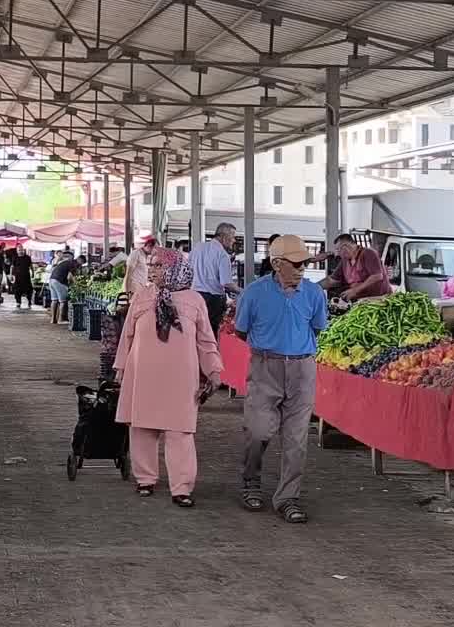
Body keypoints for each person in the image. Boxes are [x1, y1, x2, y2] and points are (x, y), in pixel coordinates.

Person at [115, 248, 223, 507]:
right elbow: (127, 335)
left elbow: (206, 340)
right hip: (143, 374)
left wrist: (214, 371)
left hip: (180, 378)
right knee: (142, 427)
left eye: (158, 265)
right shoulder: (141, 296)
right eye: (150, 265)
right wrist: (119, 369)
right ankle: (145, 479)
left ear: (175, 269)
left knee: (180, 432)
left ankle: (181, 487)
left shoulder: (194, 300)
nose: (151, 269)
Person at [233, 235, 328, 524]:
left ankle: (288, 497)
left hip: (302, 369)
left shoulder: (314, 294)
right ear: (276, 264)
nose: (302, 269)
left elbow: (318, 327)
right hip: (265, 367)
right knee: (259, 430)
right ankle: (251, 480)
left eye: (305, 264)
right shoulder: (254, 293)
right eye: (296, 264)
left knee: (297, 439)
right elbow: (241, 330)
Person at [190, 223, 240, 332]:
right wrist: (244, 291)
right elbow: (226, 283)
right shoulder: (222, 255)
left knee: (196, 331)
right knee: (210, 333)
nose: (234, 240)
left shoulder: (197, 248)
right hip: (213, 300)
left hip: (194, 297)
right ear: (223, 237)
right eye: (232, 237)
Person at [322, 233, 391, 301]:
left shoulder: (368, 253)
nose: (338, 253)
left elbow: (377, 276)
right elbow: (332, 280)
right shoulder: (345, 260)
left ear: (345, 247)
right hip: (361, 300)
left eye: (338, 250)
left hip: (378, 300)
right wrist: (314, 287)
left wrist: (355, 290)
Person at [48, 248, 80, 324]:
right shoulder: (72, 263)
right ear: (80, 260)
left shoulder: (63, 263)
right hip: (59, 282)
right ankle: (61, 319)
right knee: (63, 301)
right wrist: (76, 284)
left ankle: (53, 319)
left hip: (52, 280)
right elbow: (70, 276)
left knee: (54, 300)